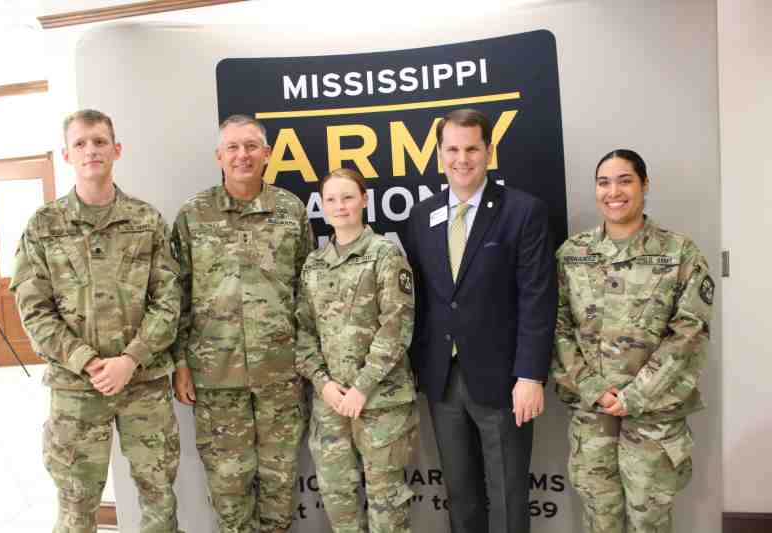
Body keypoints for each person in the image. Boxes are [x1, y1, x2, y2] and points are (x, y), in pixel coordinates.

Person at [10, 109, 182, 533]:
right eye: (81, 143)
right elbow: (33, 308)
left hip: (143, 384)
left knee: (159, 499)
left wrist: (131, 359)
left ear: (116, 149)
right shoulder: (43, 226)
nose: (91, 150)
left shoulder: (147, 220)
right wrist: (87, 360)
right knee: (75, 506)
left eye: (100, 141)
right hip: (76, 389)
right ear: (67, 154)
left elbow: (169, 299)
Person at [404, 108, 557, 532]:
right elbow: (423, 300)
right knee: (461, 495)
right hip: (443, 380)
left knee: (508, 495)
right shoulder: (422, 215)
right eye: (452, 149)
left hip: (505, 381)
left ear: (488, 152)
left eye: (472, 148)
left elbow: (537, 298)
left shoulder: (523, 211)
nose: (462, 158)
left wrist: (531, 375)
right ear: (439, 155)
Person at [552, 149, 713, 533]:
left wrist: (634, 397)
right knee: (599, 521)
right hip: (593, 417)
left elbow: (688, 334)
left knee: (649, 523)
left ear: (644, 185)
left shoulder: (680, 253)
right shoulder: (572, 255)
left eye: (625, 180)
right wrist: (594, 389)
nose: (614, 191)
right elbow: (557, 329)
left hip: (653, 417)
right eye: (604, 182)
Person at [171, 115, 314, 533]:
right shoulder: (193, 215)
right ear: (219, 156)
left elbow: (309, 292)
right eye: (232, 147)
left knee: (279, 484)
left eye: (251, 146)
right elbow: (176, 294)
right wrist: (180, 363)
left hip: (281, 375)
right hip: (216, 378)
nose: (242, 155)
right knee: (229, 490)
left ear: (267, 154)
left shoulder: (291, 211)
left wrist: (307, 361)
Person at [295, 168, 418, 533]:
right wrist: (323, 384)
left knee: (387, 506)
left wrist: (362, 387)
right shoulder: (314, 264)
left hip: (379, 403)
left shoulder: (385, 254)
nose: (340, 206)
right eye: (330, 199)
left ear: (364, 200)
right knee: (338, 503)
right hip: (331, 405)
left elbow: (397, 327)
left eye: (348, 197)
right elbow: (302, 331)